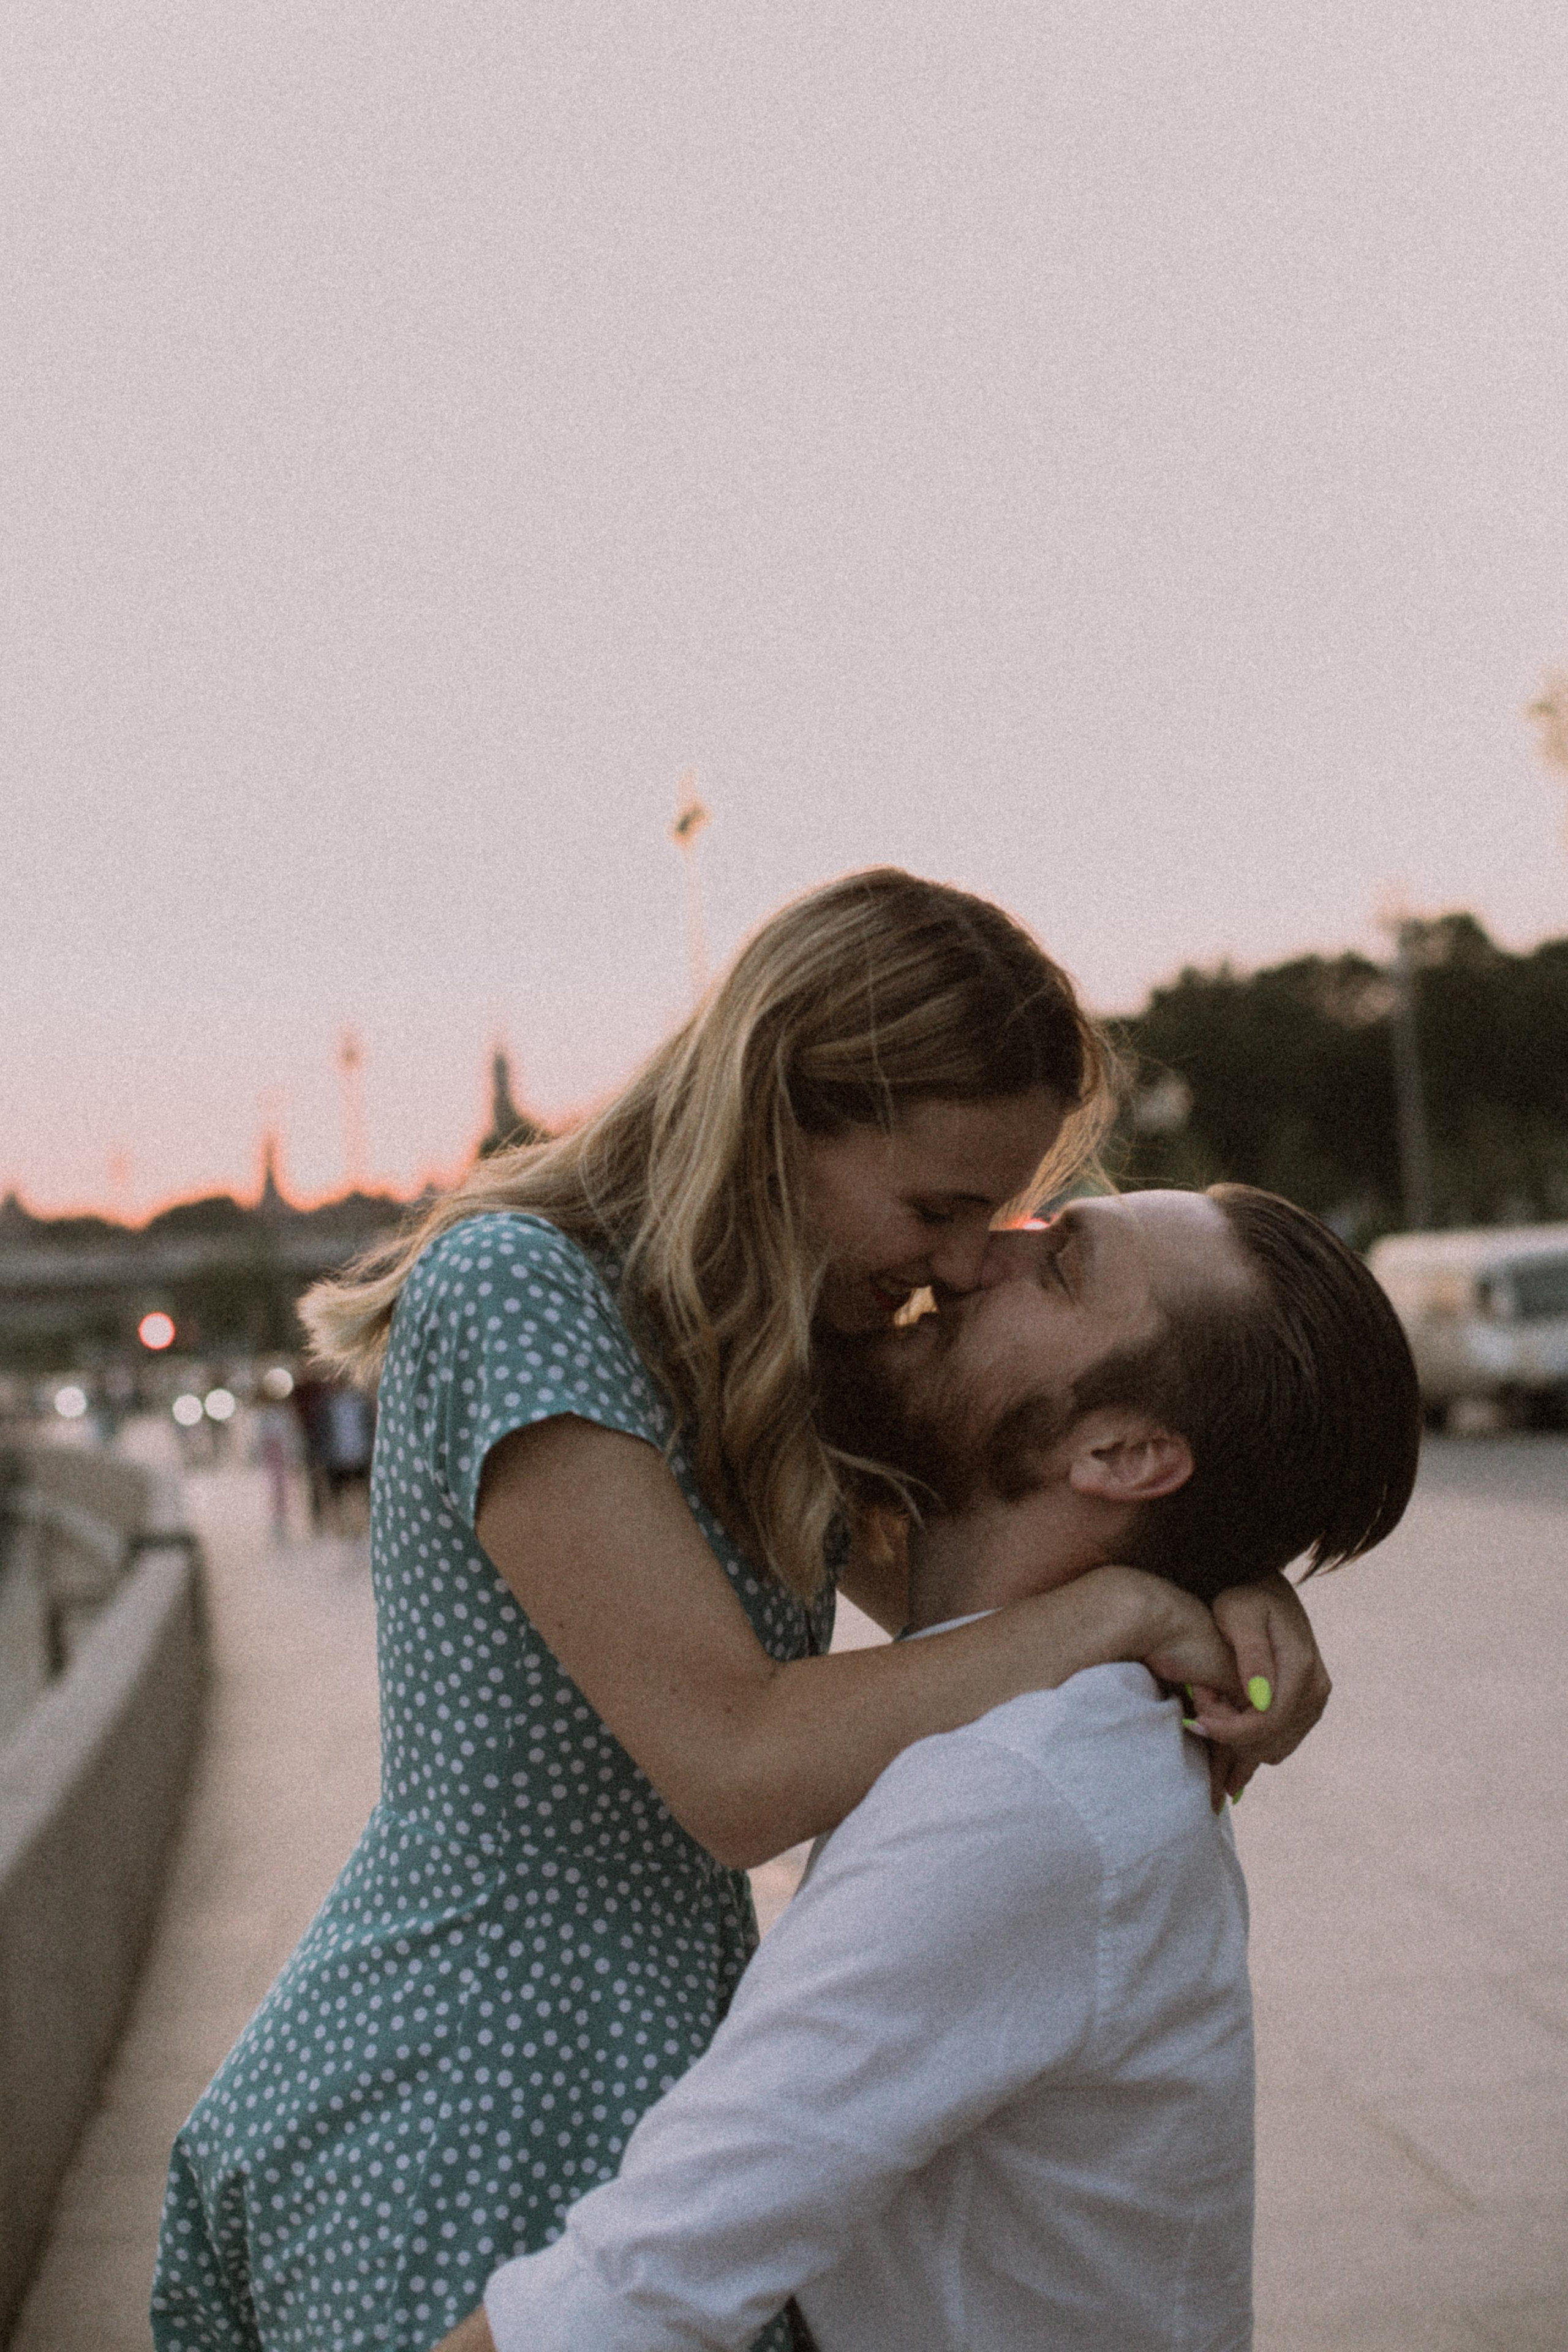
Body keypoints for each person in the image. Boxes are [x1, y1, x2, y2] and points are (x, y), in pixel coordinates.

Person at [150, 872, 1330, 2352]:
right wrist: (1116, 1618)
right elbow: (734, 1766)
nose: (965, 1262)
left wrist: (1222, 1578)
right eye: (938, 1208)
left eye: (1002, 1216)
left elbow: (977, 1568)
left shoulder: (784, 1337)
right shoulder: (518, 1289)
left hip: (668, 2033)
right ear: (774, 1117)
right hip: (476, 2059)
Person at [454, 1184, 1420, 2351]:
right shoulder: (1067, 1714)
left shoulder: (1013, 1797)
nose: (975, 1260)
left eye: (1058, 1266)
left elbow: (629, 2299)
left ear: (1120, 1451)